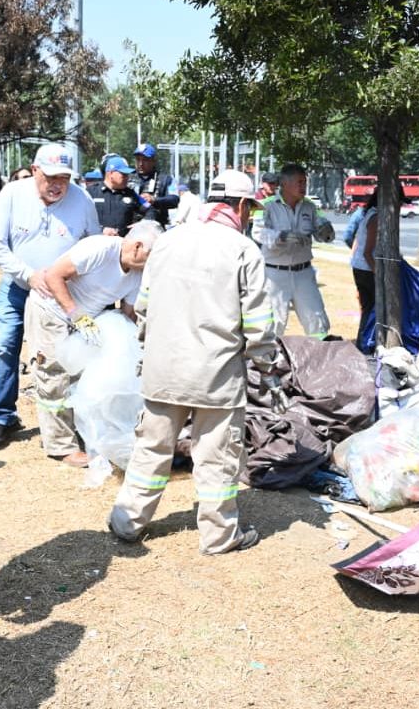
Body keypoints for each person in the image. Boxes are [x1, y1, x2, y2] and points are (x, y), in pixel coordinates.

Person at [109, 170, 278, 554]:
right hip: (215, 376)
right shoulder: (243, 250)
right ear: (240, 206)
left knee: (150, 449)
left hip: (162, 369)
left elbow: (144, 306)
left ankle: (127, 521)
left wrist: (147, 351)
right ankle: (219, 535)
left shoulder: (167, 241)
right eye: (248, 208)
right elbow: (256, 322)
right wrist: (265, 364)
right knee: (216, 458)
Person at [0, 142, 101, 447]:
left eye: (64, 178)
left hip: (62, 296)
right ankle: (2, 417)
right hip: (17, 288)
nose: (57, 185)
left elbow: (94, 246)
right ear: (34, 170)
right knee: (7, 347)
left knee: (64, 355)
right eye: (50, 177)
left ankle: (73, 418)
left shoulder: (83, 199)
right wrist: (29, 275)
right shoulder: (12, 194)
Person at [25, 223, 159, 466]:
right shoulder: (101, 248)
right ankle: (60, 446)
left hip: (85, 322)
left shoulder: (138, 273)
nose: (153, 264)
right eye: (152, 257)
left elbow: (129, 312)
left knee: (80, 375)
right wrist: (76, 314)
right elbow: (55, 275)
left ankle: (77, 432)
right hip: (51, 310)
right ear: (138, 247)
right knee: (53, 375)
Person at [255, 163, 335, 338]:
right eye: (299, 182)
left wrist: (326, 232)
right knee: (274, 323)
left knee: (317, 319)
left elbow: (322, 231)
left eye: (305, 182)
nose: (303, 187)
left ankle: (319, 357)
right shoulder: (265, 205)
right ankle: (271, 360)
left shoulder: (310, 206)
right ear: (284, 183)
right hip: (275, 274)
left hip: (304, 273)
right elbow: (258, 232)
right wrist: (281, 236)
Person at [349, 189, 381, 339]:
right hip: (366, 269)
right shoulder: (375, 217)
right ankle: (364, 342)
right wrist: (378, 273)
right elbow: (367, 252)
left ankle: (363, 341)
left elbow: (356, 241)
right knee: (371, 308)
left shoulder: (368, 213)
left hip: (360, 266)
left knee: (367, 308)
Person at [89, 155, 146, 236]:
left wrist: (142, 224)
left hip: (122, 243)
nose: (127, 178)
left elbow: (149, 209)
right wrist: (101, 229)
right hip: (97, 241)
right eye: (123, 174)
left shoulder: (131, 194)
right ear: (111, 173)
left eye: (127, 175)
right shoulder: (91, 192)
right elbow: (80, 217)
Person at [131, 143, 178, 225]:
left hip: (155, 226)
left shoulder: (166, 179)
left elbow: (174, 199)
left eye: (145, 160)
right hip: (131, 226)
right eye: (138, 159)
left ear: (153, 161)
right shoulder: (128, 177)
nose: (141, 164)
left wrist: (154, 200)